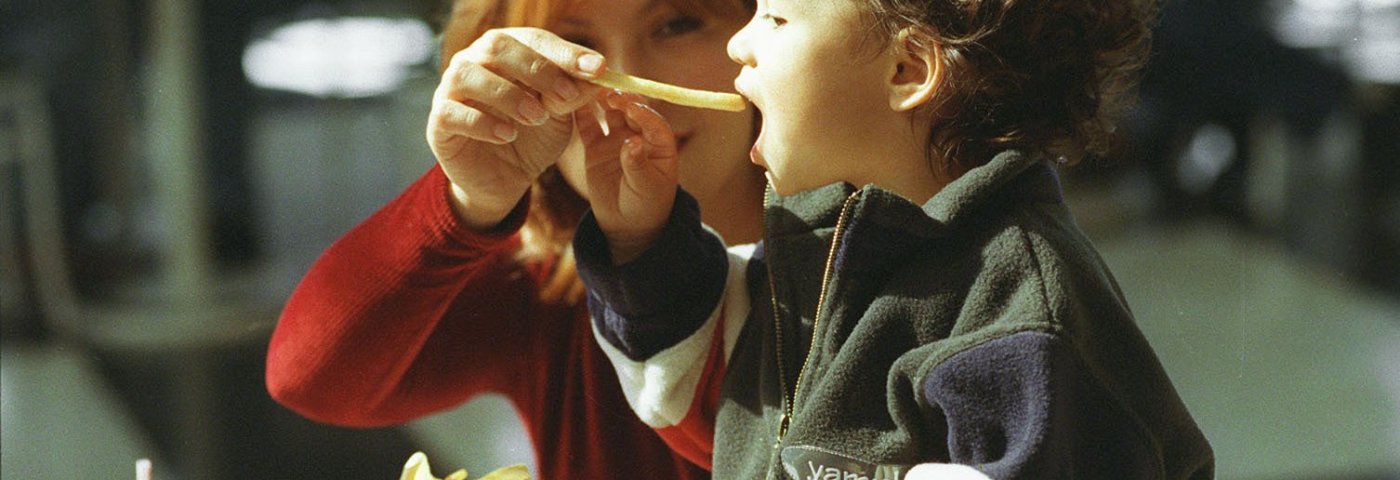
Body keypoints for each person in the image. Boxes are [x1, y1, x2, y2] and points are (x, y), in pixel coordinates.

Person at [571, 0, 1216, 478]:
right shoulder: (820, 246)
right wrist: (639, 236)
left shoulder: (1019, 316)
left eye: (776, 18)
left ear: (907, 69)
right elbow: (716, 383)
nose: (740, 43)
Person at [262, 0, 766, 478]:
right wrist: (469, 201)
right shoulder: (544, 285)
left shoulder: (819, 258)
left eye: (676, 24)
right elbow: (312, 380)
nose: (634, 90)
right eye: (573, 46)